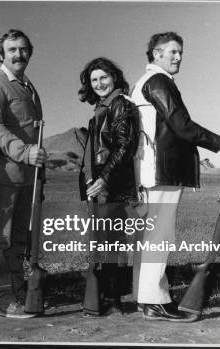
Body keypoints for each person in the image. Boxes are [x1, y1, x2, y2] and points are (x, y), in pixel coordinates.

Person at [131, 32, 220, 322]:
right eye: (172, 51)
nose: (178, 57)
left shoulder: (149, 82)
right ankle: (153, 301)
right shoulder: (158, 82)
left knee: (154, 237)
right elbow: (181, 125)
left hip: (154, 172)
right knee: (159, 237)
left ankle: (147, 299)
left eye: (180, 52)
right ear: (156, 54)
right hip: (161, 172)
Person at [0, 29, 47, 319]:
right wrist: (23, 151)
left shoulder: (28, 86)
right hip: (2, 174)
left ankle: (17, 292)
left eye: (23, 48)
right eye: (12, 49)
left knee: (19, 238)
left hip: (27, 176)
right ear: (1, 54)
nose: (18, 54)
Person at [78, 57, 138, 316]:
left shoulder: (119, 105)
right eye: (94, 80)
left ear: (114, 78)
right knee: (105, 242)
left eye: (104, 77)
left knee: (112, 242)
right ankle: (107, 295)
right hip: (102, 186)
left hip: (112, 187)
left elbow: (125, 146)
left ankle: (113, 299)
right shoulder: (103, 108)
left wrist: (104, 178)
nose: (100, 83)